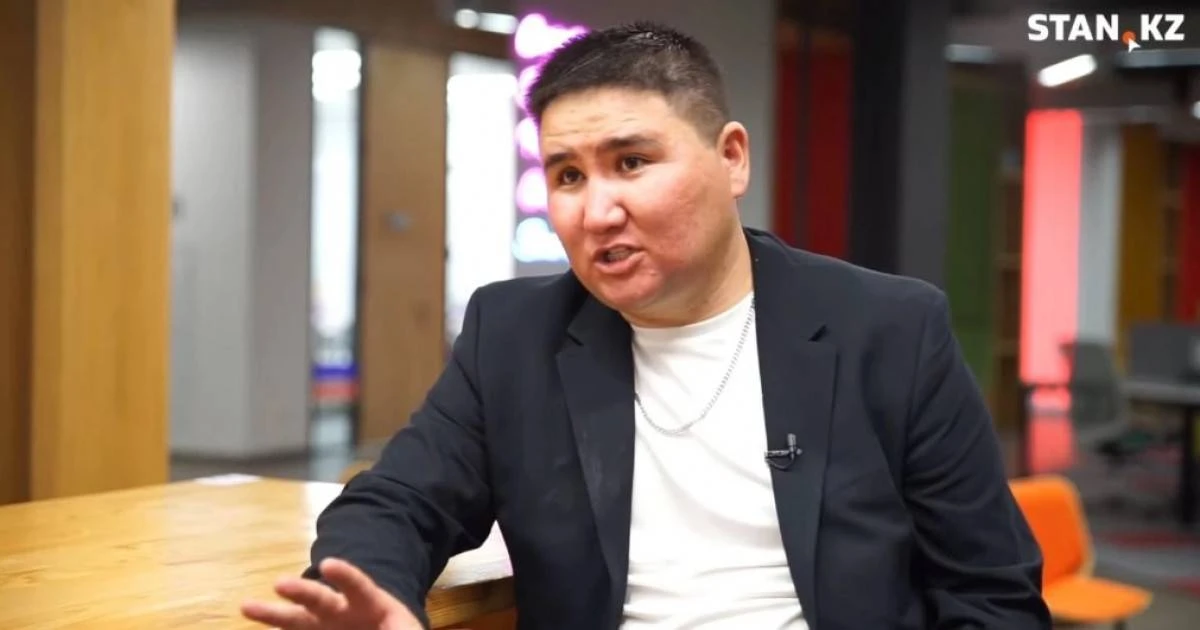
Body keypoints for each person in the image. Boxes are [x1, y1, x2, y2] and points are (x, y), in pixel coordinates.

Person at [242, 21, 1050, 630]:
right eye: (567, 175)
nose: (597, 210)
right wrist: (377, 592)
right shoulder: (513, 335)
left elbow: (992, 593)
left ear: (732, 158)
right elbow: (394, 502)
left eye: (631, 162)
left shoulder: (888, 329)